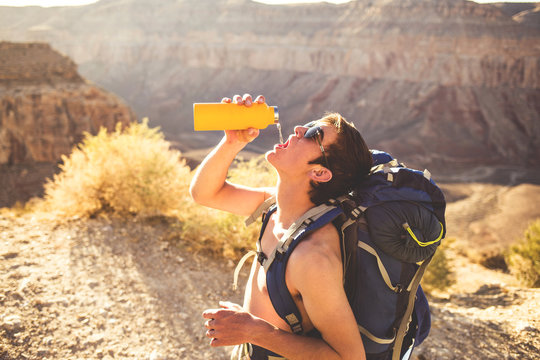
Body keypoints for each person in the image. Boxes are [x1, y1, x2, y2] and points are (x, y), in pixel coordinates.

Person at [190, 93, 373, 360]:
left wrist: (254, 331)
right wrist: (232, 142)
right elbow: (205, 193)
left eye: (313, 134)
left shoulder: (312, 257)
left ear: (320, 173)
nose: (299, 129)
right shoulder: (275, 207)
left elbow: (350, 358)